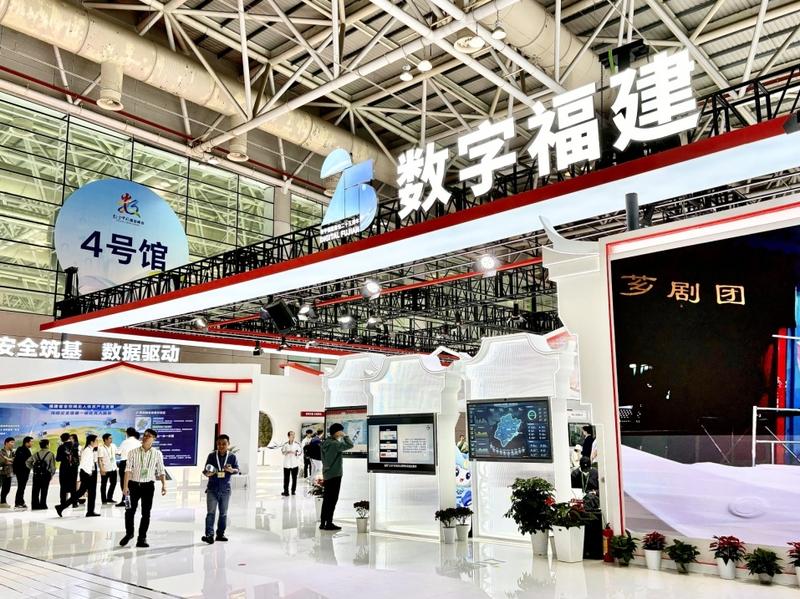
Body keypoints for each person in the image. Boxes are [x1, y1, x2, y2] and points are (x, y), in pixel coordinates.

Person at [121, 428, 166, 548]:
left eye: (148, 436)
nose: (145, 437)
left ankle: (142, 538)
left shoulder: (157, 454)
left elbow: (161, 470)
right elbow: (128, 470)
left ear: (154, 439)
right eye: (144, 435)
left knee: (146, 513)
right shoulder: (133, 452)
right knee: (129, 511)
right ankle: (129, 533)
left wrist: (164, 485)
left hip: (148, 486)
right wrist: (125, 486)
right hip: (133, 485)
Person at [201, 434, 239, 544]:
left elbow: (237, 470)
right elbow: (205, 471)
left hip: (225, 489)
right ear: (216, 444)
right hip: (212, 489)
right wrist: (208, 473)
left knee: (223, 513)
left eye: (224, 444)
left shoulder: (232, 457)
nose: (221, 446)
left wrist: (231, 470)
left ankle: (220, 534)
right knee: (210, 513)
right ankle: (209, 535)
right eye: (219, 444)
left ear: (228, 444)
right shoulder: (212, 456)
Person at [56, 434, 101, 517]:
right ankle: (61, 507)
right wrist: (90, 473)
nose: (98, 442)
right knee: (83, 493)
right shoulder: (87, 451)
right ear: (91, 442)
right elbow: (83, 464)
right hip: (87, 474)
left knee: (87, 493)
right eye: (96, 440)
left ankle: (89, 511)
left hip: (89, 473)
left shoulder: (91, 450)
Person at [319, 423, 353, 531]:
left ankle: (323, 523)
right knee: (333, 499)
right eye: (341, 431)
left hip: (327, 474)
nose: (342, 432)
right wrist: (345, 436)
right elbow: (350, 445)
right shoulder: (335, 444)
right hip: (335, 474)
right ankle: (329, 523)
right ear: (337, 432)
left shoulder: (326, 442)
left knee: (326, 499)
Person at [27, 439, 56, 510]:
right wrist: (51, 474)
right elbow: (52, 466)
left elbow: (28, 462)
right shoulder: (50, 454)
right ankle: (43, 505)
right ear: (47, 445)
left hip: (36, 474)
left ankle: (35, 505)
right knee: (44, 490)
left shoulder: (36, 453)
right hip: (46, 474)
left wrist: (33, 468)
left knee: (35, 490)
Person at [116, 428, 141, 507]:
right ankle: (134, 501)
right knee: (134, 482)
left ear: (127, 433)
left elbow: (118, 452)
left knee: (124, 483)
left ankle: (126, 502)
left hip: (125, 463)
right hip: (136, 463)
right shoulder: (138, 442)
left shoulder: (125, 442)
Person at [55, 433, 78, 507]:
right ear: (69, 438)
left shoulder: (61, 447)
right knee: (73, 485)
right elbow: (77, 458)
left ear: (62, 439)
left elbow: (57, 459)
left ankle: (63, 503)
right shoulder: (75, 446)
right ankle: (74, 503)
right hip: (73, 468)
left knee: (63, 486)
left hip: (64, 468)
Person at [13, 436, 33, 509]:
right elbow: (21, 461)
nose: (32, 443)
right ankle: (18, 503)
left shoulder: (26, 449)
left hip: (24, 471)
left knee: (22, 487)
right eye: (31, 442)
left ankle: (21, 501)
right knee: (21, 487)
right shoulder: (21, 449)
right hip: (21, 472)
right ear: (26, 443)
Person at [280, 431, 302, 497]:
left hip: (295, 464)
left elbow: (300, 452)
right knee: (286, 479)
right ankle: (286, 491)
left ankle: (293, 491)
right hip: (286, 464)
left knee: (294, 478)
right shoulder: (285, 444)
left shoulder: (297, 444)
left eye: (294, 435)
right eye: (292, 435)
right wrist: (286, 452)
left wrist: (295, 453)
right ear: (288, 436)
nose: (293, 436)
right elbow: (282, 452)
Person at [99, 433, 118, 504]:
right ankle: (104, 500)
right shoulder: (101, 448)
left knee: (113, 483)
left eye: (111, 438)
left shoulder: (113, 446)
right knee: (103, 485)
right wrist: (101, 469)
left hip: (113, 468)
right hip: (105, 469)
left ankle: (109, 498)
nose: (111, 439)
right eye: (110, 438)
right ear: (105, 439)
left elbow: (118, 452)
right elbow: (100, 460)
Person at [0, 437, 15, 508]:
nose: (13, 444)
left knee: (7, 488)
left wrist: (8, 460)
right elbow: (2, 461)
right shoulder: (1, 452)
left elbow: (15, 460)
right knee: (2, 487)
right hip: (1, 473)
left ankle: (3, 501)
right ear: (6, 443)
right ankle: (2, 502)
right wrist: (7, 461)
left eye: (13, 442)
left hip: (9, 473)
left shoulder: (13, 452)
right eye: (11, 442)